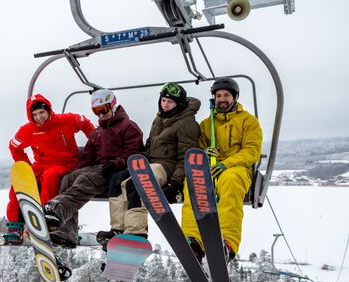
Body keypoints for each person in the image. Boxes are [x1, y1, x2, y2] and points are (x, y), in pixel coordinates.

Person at [96, 82, 200, 250]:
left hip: (167, 167)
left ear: (179, 104)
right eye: (163, 100)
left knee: (136, 182)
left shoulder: (187, 123)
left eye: (170, 102)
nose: (165, 105)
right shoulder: (159, 119)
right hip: (150, 163)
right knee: (117, 180)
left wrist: (175, 182)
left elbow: (185, 157)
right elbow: (150, 146)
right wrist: (142, 156)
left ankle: (136, 232)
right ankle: (118, 228)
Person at [43, 89, 144, 248]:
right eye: (96, 111)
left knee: (84, 179)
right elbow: (88, 156)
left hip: (116, 172)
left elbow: (133, 154)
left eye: (103, 110)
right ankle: (67, 232)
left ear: (112, 106)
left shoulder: (128, 127)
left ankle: (57, 210)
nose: (101, 115)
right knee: (68, 179)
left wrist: (115, 163)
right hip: (99, 169)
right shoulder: (97, 132)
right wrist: (77, 171)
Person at [181, 77, 263, 263]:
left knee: (230, 183)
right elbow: (196, 151)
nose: (222, 99)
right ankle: (194, 241)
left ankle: (226, 243)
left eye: (226, 95)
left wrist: (226, 164)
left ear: (234, 98)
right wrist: (204, 153)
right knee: (192, 183)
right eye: (218, 96)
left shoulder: (248, 122)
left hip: (237, 169)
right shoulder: (206, 125)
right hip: (211, 169)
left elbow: (251, 151)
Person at [5, 94, 95, 244]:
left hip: (65, 163)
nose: (39, 117)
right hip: (41, 164)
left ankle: (45, 222)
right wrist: (26, 166)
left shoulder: (66, 120)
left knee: (50, 177)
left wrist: (94, 142)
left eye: (41, 112)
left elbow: (85, 122)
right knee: (20, 183)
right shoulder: (28, 130)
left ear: (48, 110)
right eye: (34, 114)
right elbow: (14, 146)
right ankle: (15, 226)